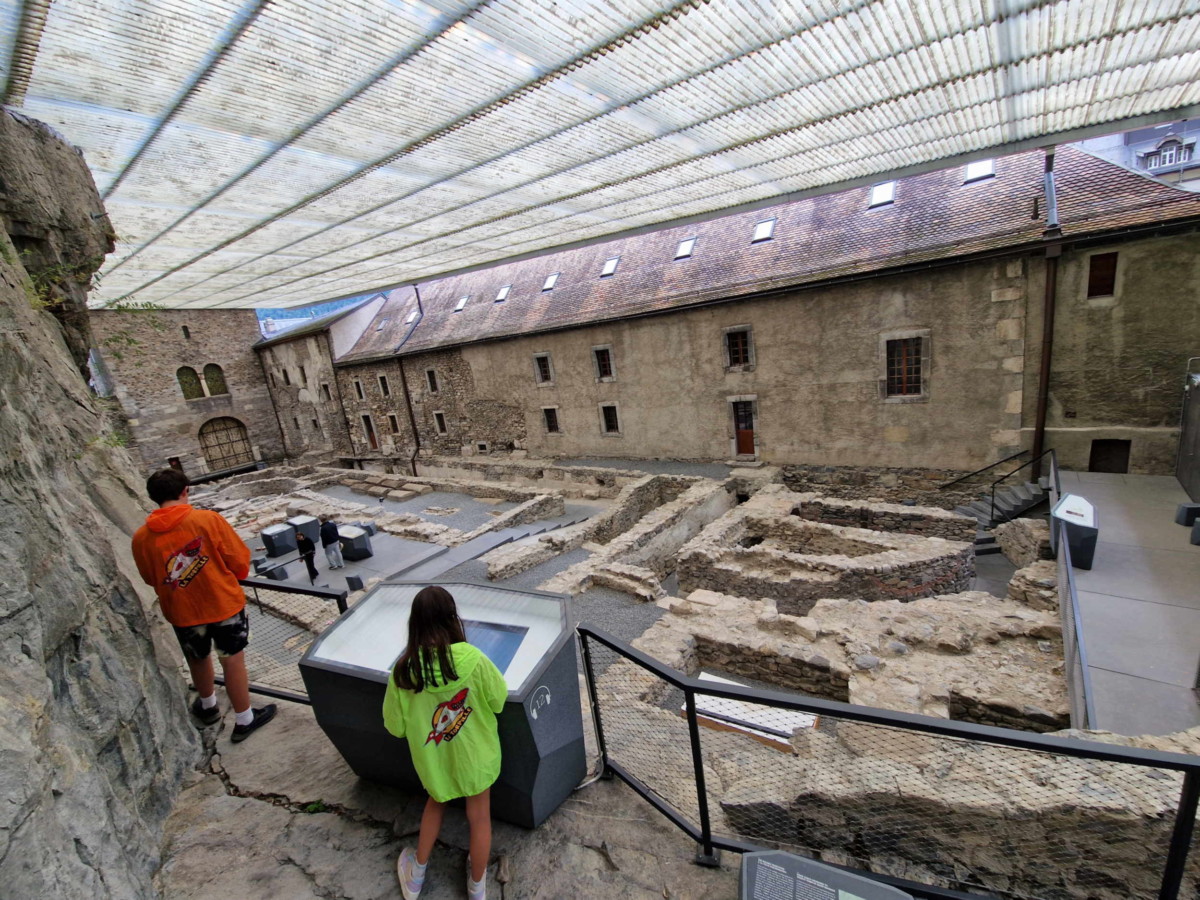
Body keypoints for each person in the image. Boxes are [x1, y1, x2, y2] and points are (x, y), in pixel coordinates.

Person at [131, 468, 276, 743]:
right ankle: (244, 718)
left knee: (197, 657)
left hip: (182, 610)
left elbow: (150, 577)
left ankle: (208, 704)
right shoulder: (207, 520)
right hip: (222, 603)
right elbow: (238, 561)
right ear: (185, 490)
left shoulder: (141, 537)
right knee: (232, 658)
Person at [383, 586, 507, 900]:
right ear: (452, 618)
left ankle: (416, 876)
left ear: (415, 623)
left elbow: (395, 727)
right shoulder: (474, 659)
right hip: (476, 758)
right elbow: (498, 700)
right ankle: (477, 888)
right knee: (480, 818)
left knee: (435, 804)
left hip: (435, 762)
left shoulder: (404, 670)